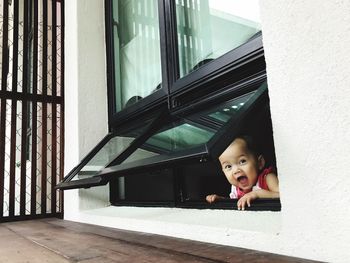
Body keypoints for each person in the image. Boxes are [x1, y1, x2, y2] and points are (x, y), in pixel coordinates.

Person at [206, 135, 279, 210]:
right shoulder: (235, 189)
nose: (236, 170)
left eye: (242, 161)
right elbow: (236, 203)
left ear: (260, 163)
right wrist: (221, 200)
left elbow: (284, 196)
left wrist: (257, 194)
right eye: (228, 166)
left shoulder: (267, 178)